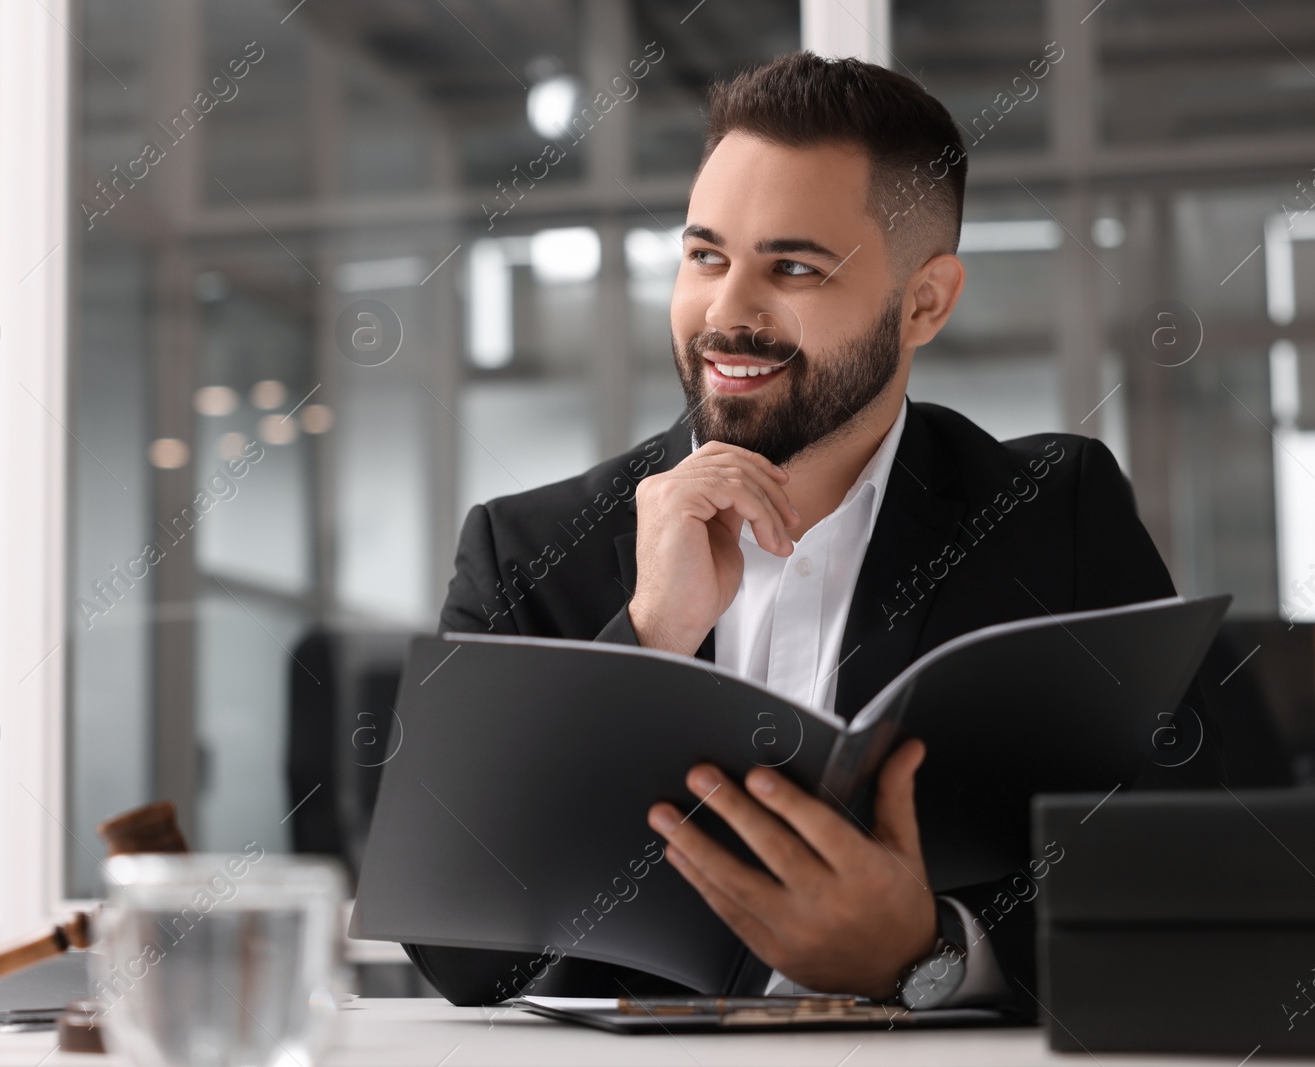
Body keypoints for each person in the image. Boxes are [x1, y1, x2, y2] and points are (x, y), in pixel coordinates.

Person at [402, 51, 1223, 1014]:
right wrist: (648, 636)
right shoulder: (527, 545)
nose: (727, 312)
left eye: (792, 266)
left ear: (926, 301)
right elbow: (456, 953)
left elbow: (1212, 883)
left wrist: (927, 953)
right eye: (706, 256)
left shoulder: (1055, 513)